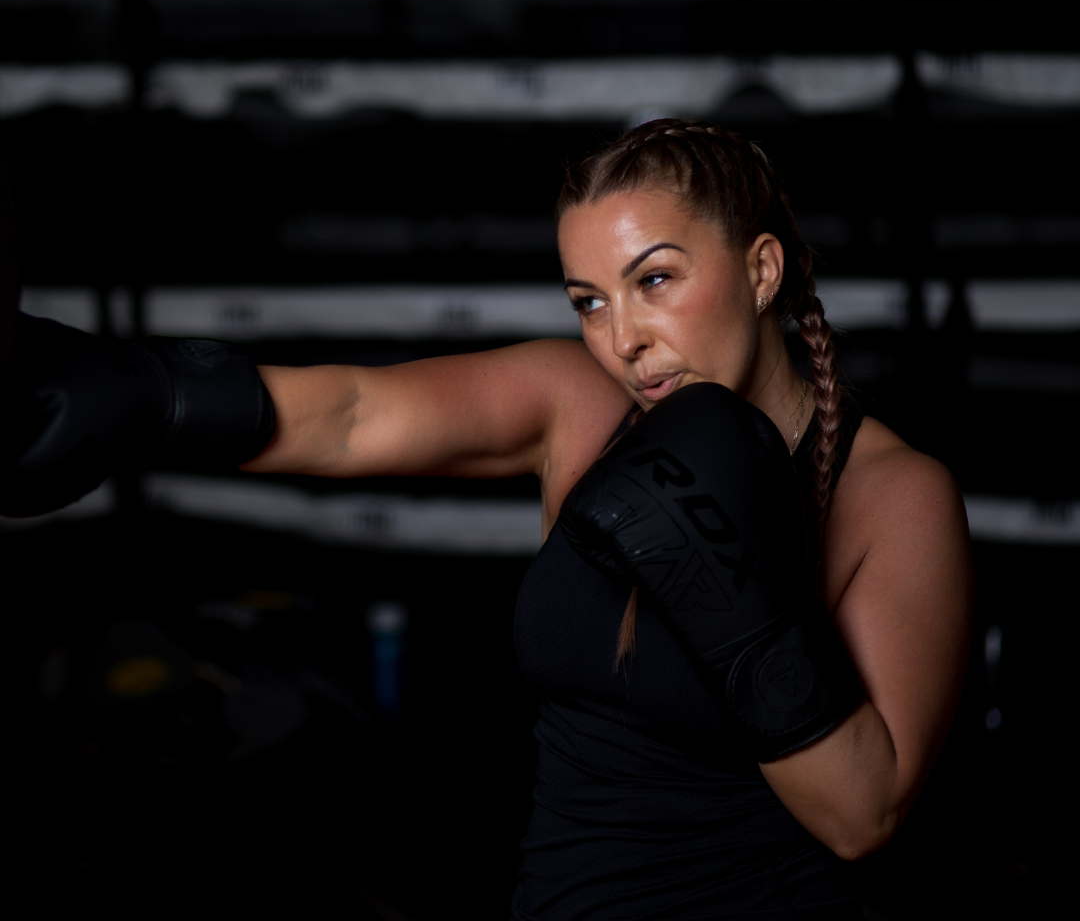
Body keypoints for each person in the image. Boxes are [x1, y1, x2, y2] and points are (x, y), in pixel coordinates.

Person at [2, 121, 972, 920]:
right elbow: (350, 417)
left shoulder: (891, 493)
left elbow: (863, 814)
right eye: (589, 301)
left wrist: (721, 573)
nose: (623, 338)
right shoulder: (578, 406)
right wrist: (142, 392)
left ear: (761, 270)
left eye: (657, 280)